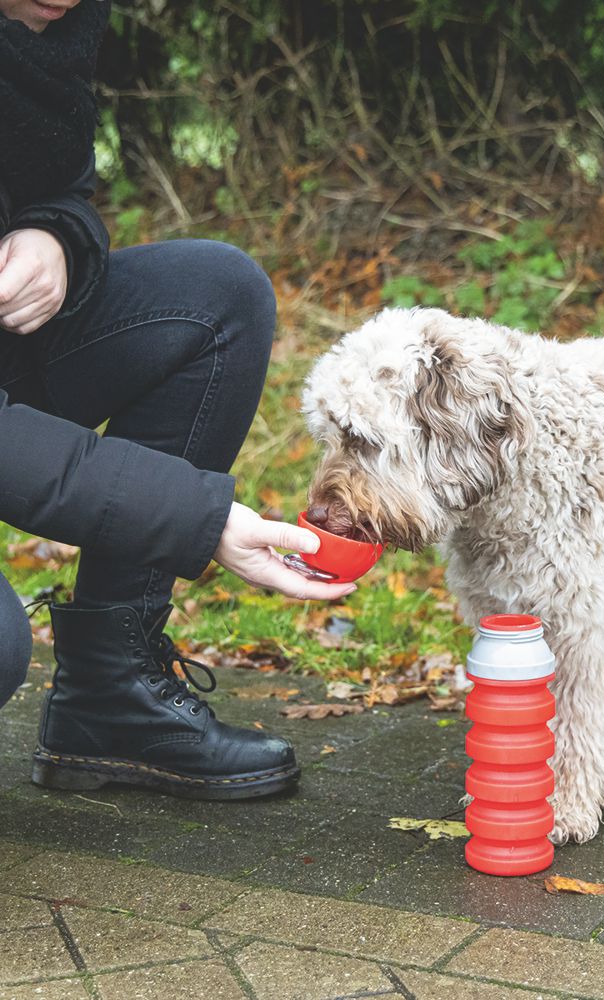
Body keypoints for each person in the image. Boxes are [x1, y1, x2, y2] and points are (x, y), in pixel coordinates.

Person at [0, 0, 354, 800]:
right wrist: (202, 519)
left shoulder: (45, 35)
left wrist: (56, 233)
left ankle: (110, 702)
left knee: (214, 300)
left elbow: (61, 187)